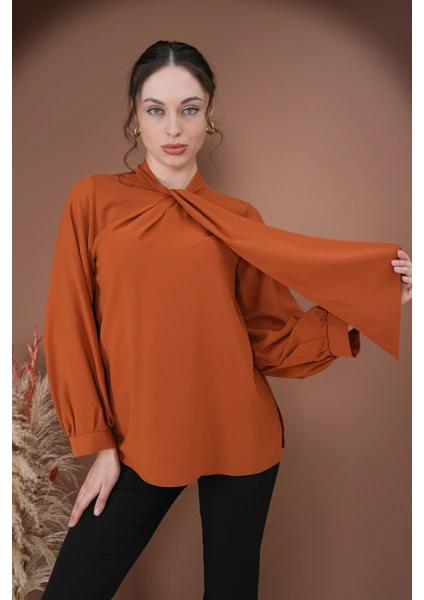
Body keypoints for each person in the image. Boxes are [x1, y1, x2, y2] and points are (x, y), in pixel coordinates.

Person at [41, 40, 412, 599]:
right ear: (135, 116)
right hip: (140, 440)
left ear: (210, 114)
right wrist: (102, 447)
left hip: (239, 434)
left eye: (189, 109)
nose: (173, 127)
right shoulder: (93, 200)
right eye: (156, 109)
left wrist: (373, 299)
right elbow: (70, 327)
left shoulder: (238, 218)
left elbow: (269, 339)